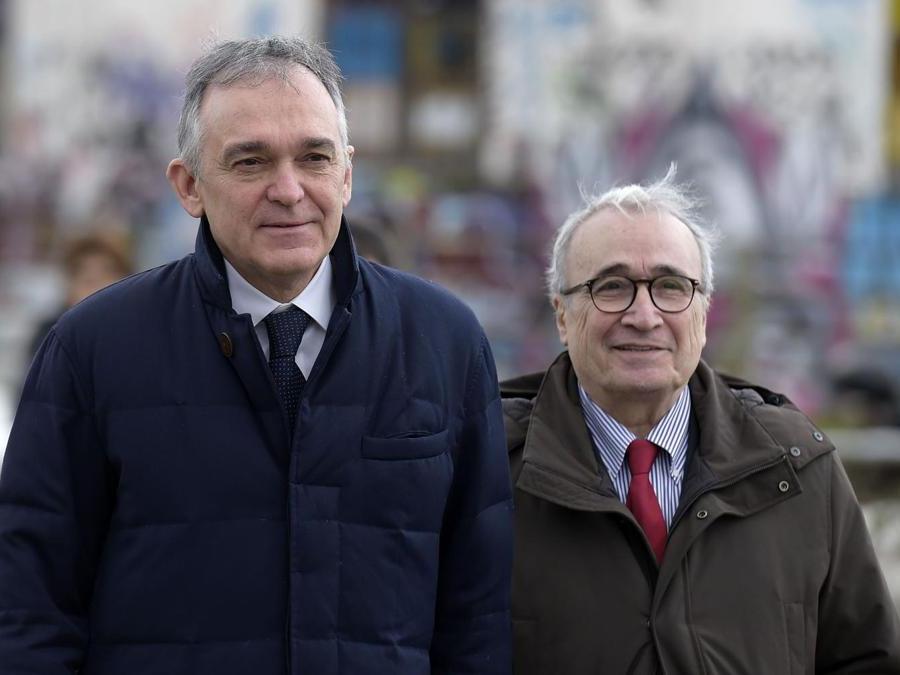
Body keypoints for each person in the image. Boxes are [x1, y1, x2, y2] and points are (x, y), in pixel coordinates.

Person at [0, 36, 512, 675]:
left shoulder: (444, 342)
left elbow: (480, 616)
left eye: (315, 158)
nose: (289, 190)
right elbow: (28, 610)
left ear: (347, 174)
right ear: (189, 186)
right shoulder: (91, 350)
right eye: (250, 162)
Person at [502, 168, 900, 674]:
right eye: (611, 286)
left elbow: (867, 660)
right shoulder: (491, 472)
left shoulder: (799, 469)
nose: (644, 315)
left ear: (704, 313)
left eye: (670, 286)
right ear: (561, 314)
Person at [27, 230, 133, 359]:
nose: (96, 285)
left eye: (106, 272)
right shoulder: (50, 336)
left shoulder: (141, 333)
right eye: (85, 277)